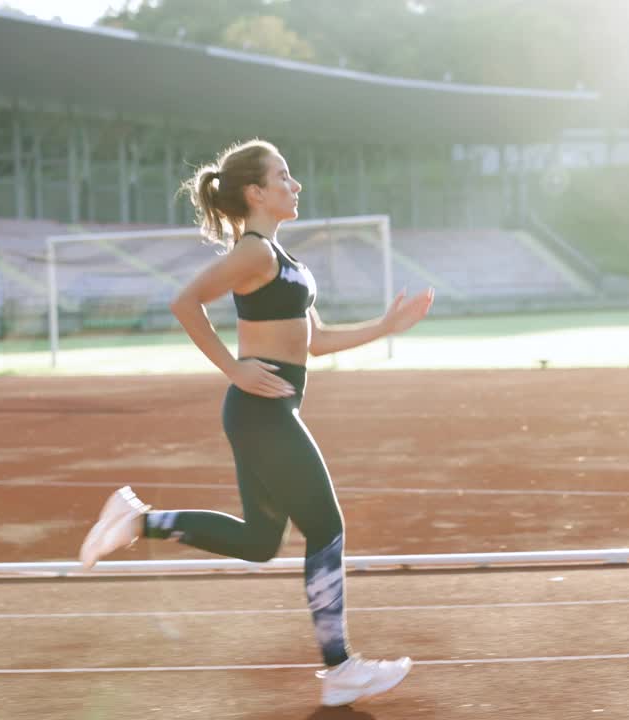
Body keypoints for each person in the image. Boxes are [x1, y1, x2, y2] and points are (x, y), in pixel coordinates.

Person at [78, 139, 434, 707]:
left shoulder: (282, 259)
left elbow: (316, 342)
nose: (296, 186)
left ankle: (137, 521)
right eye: (284, 176)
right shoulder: (254, 254)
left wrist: (387, 326)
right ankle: (340, 667)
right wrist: (234, 368)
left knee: (261, 542)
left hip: (266, 413)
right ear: (256, 192)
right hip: (260, 412)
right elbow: (185, 302)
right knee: (327, 527)